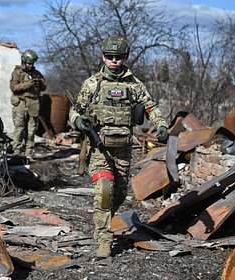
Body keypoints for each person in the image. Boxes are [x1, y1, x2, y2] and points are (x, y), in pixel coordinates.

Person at [69, 36, 169, 258]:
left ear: (125, 57)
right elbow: (74, 111)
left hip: (123, 149)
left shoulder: (134, 85)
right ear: (103, 56)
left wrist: (161, 124)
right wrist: (78, 121)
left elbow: (150, 106)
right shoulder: (92, 84)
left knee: (120, 192)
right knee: (105, 190)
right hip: (99, 148)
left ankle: (100, 219)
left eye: (118, 57)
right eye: (109, 56)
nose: (114, 61)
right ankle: (104, 239)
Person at [10, 49, 47, 157]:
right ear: (23, 62)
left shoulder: (37, 74)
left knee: (31, 130)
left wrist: (40, 83)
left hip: (34, 103)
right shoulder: (17, 73)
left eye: (32, 64)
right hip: (21, 102)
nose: (31, 66)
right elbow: (13, 87)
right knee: (19, 128)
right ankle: (17, 151)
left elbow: (44, 88)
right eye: (29, 63)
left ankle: (28, 152)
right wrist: (27, 85)